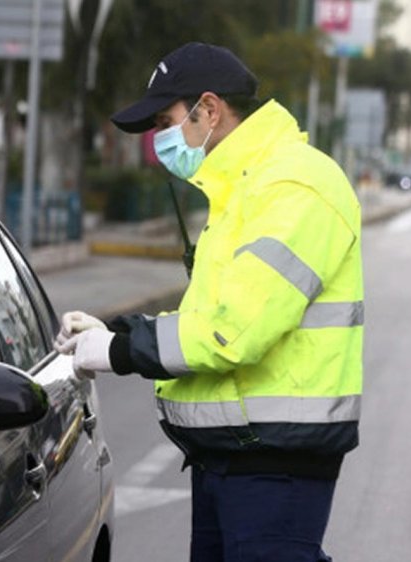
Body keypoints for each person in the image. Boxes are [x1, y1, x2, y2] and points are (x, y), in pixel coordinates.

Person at [55, 42, 363, 562]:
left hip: (274, 461)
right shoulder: (242, 190)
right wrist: (119, 331)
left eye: (165, 121)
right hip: (232, 454)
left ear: (209, 109)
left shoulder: (294, 184)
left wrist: (116, 353)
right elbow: (208, 317)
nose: (159, 140)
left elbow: (234, 331)